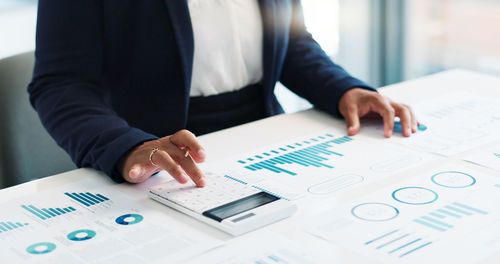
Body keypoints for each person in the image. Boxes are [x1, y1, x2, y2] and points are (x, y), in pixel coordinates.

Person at [28, 0, 418, 187]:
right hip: (157, 161)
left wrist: (343, 88)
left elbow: (291, 42)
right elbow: (60, 84)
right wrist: (124, 145)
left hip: (266, 146)